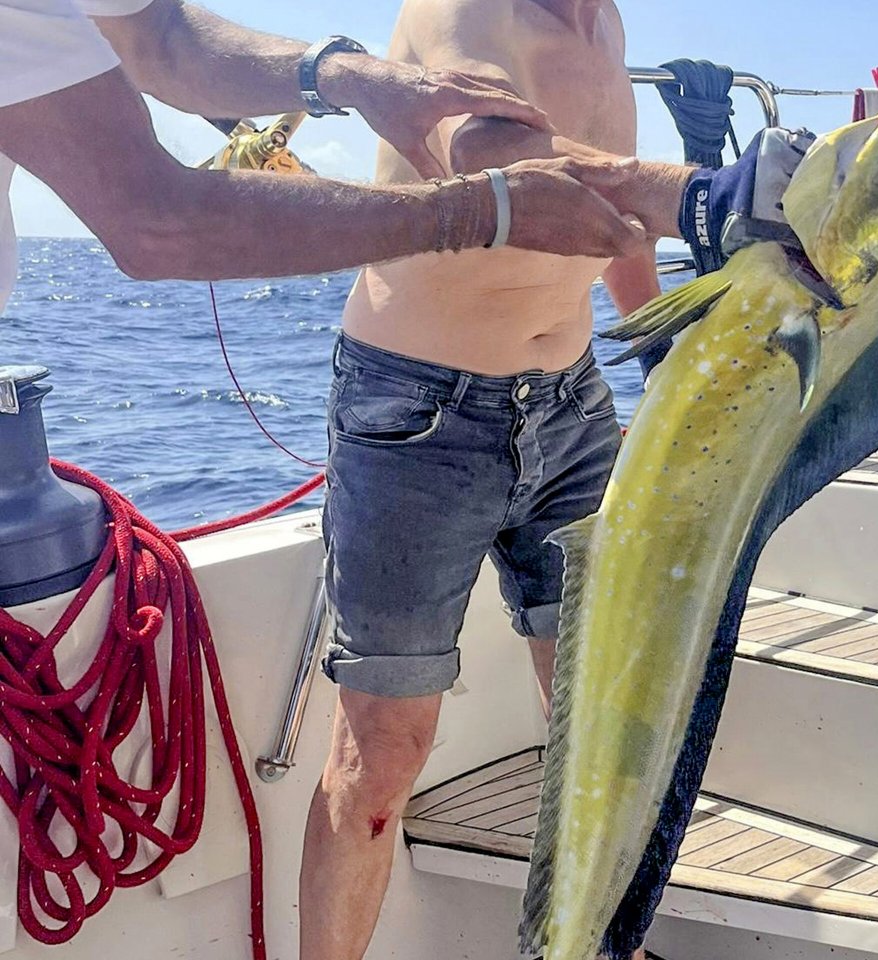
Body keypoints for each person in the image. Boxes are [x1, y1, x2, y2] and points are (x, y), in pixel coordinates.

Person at [300, 1, 815, 958]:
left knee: (603, 714)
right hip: (421, 421)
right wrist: (700, 191)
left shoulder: (602, 23)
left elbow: (608, 225)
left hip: (574, 409)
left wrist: (662, 346)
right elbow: (491, 156)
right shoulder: (466, 11)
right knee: (381, 758)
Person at [0, 0, 656, 325]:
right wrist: (473, 210)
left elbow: (161, 40)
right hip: (430, 406)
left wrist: (345, 74)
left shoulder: (606, 25)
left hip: (572, 392)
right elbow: (153, 223)